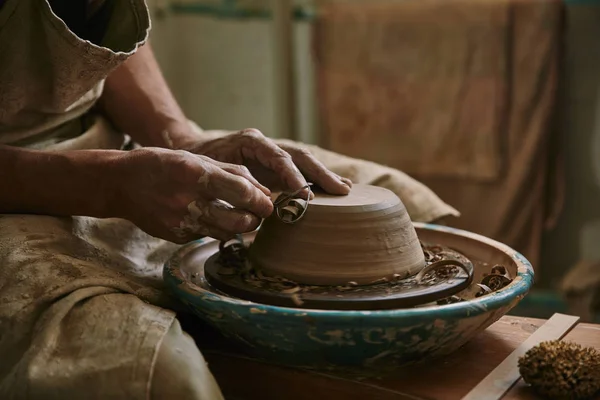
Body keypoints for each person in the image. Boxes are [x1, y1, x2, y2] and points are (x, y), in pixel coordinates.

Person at [0, 1, 457, 399]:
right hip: (21, 188)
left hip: (118, 152)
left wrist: (183, 139)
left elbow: (94, 40)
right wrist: (109, 186)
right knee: (154, 373)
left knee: (404, 201)